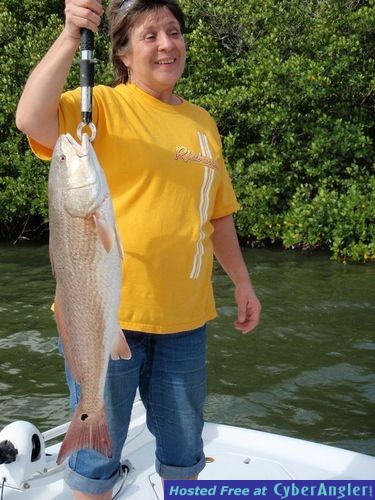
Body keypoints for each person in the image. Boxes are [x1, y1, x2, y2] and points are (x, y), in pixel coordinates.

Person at [16, 0, 261, 498]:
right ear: (123, 53)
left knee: (183, 457)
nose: (167, 44)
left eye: (174, 32)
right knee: (95, 461)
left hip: (186, 319)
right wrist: (69, 35)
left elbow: (218, 213)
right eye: (150, 36)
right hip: (105, 317)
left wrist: (242, 281)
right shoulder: (100, 105)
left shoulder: (202, 123)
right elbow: (30, 117)